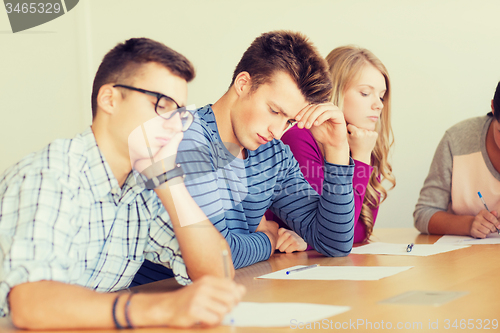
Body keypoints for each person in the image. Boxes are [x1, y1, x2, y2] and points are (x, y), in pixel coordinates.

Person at [0, 38, 245, 330]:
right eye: (161, 104)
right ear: (109, 100)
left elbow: (219, 273)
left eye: (179, 112)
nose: (174, 123)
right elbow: (30, 305)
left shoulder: (142, 185)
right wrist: (162, 308)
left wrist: (169, 181)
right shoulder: (49, 175)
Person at [133, 30, 356, 284]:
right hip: (154, 299)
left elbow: (335, 242)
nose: (278, 131)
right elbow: (218, 253)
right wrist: (270, 238)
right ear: (243, 83)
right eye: (274, 110)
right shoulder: (187, 137)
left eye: (290, 120)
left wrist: (337, 149)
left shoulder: (275, 156)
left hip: (224, 297)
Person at [266, 45, 395, 252]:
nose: (378, 105)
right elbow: (337, 231)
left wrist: (308, 242)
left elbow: (362, 231)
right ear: (334, 92)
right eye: (365, 93)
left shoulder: (364, 141)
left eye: (381, 96)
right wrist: (361, 158)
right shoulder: (300, 137)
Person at [414, 81, 500, 238]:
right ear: (493, 108)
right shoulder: (456, 140)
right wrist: (469, 224)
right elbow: (423, 213)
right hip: (464, 259)